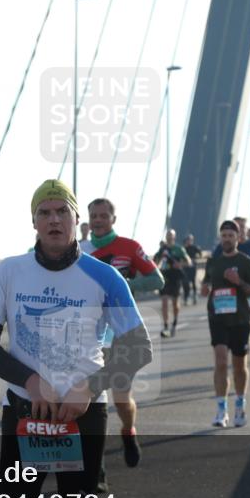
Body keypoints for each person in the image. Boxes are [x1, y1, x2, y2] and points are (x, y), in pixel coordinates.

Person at [0, 180, 152, 498]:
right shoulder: (11, 271)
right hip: (25, 413)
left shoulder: (104, 276)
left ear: (77, 221)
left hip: (81, 415)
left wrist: (90, 387)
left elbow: (138, 345)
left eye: (61, 212)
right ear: (33, 221)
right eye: (44, 212)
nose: (53, 220)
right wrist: (31, 381)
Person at [87, 198, 163, 471]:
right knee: (88, 396)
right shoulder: (78, 251)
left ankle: (128, 431)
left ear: (113, 219)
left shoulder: (129, 248)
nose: (98, 220)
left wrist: (127, 284)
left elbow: (157, 279)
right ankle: (93, 464)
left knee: (121, 396)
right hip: (88, 333)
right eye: (94, 215)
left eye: (104, 215)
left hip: (120, 332)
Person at [201, 220, 250, 427]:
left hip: (240, 320)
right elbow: (207, 282)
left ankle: (240, 404)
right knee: (220, 361)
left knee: (239, 365)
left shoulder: (245, 262)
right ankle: (221, 410)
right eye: (224, 236)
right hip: (218, 318)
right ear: (220, 238)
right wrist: (204, 287)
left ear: (238, 238)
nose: (226, 239)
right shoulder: (214, 262)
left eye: (230, 236)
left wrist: (239, 282)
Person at [154, 230, 191, 337]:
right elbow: (155, 262)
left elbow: (188, 262)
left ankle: (174, 322)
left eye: (171, 235)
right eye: (167, 235)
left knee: (175, 303)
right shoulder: (162, 249)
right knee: (164, 301)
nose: (169, 237)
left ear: (174, 237)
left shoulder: (179, 249)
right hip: (165, 278)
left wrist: (179, 264)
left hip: (175, 278)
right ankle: (165, 326)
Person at [181, 235, 203, 305]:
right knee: (185, 283)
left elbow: (200, 254)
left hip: (192, 267)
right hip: (185, 267)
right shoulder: (183, 249)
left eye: (190, 240)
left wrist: (197, 257)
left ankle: (194, 296)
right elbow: (180, 256)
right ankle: (186, 297)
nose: (189, 241)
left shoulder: (194, 248)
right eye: (188, 240)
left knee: (193, 281)